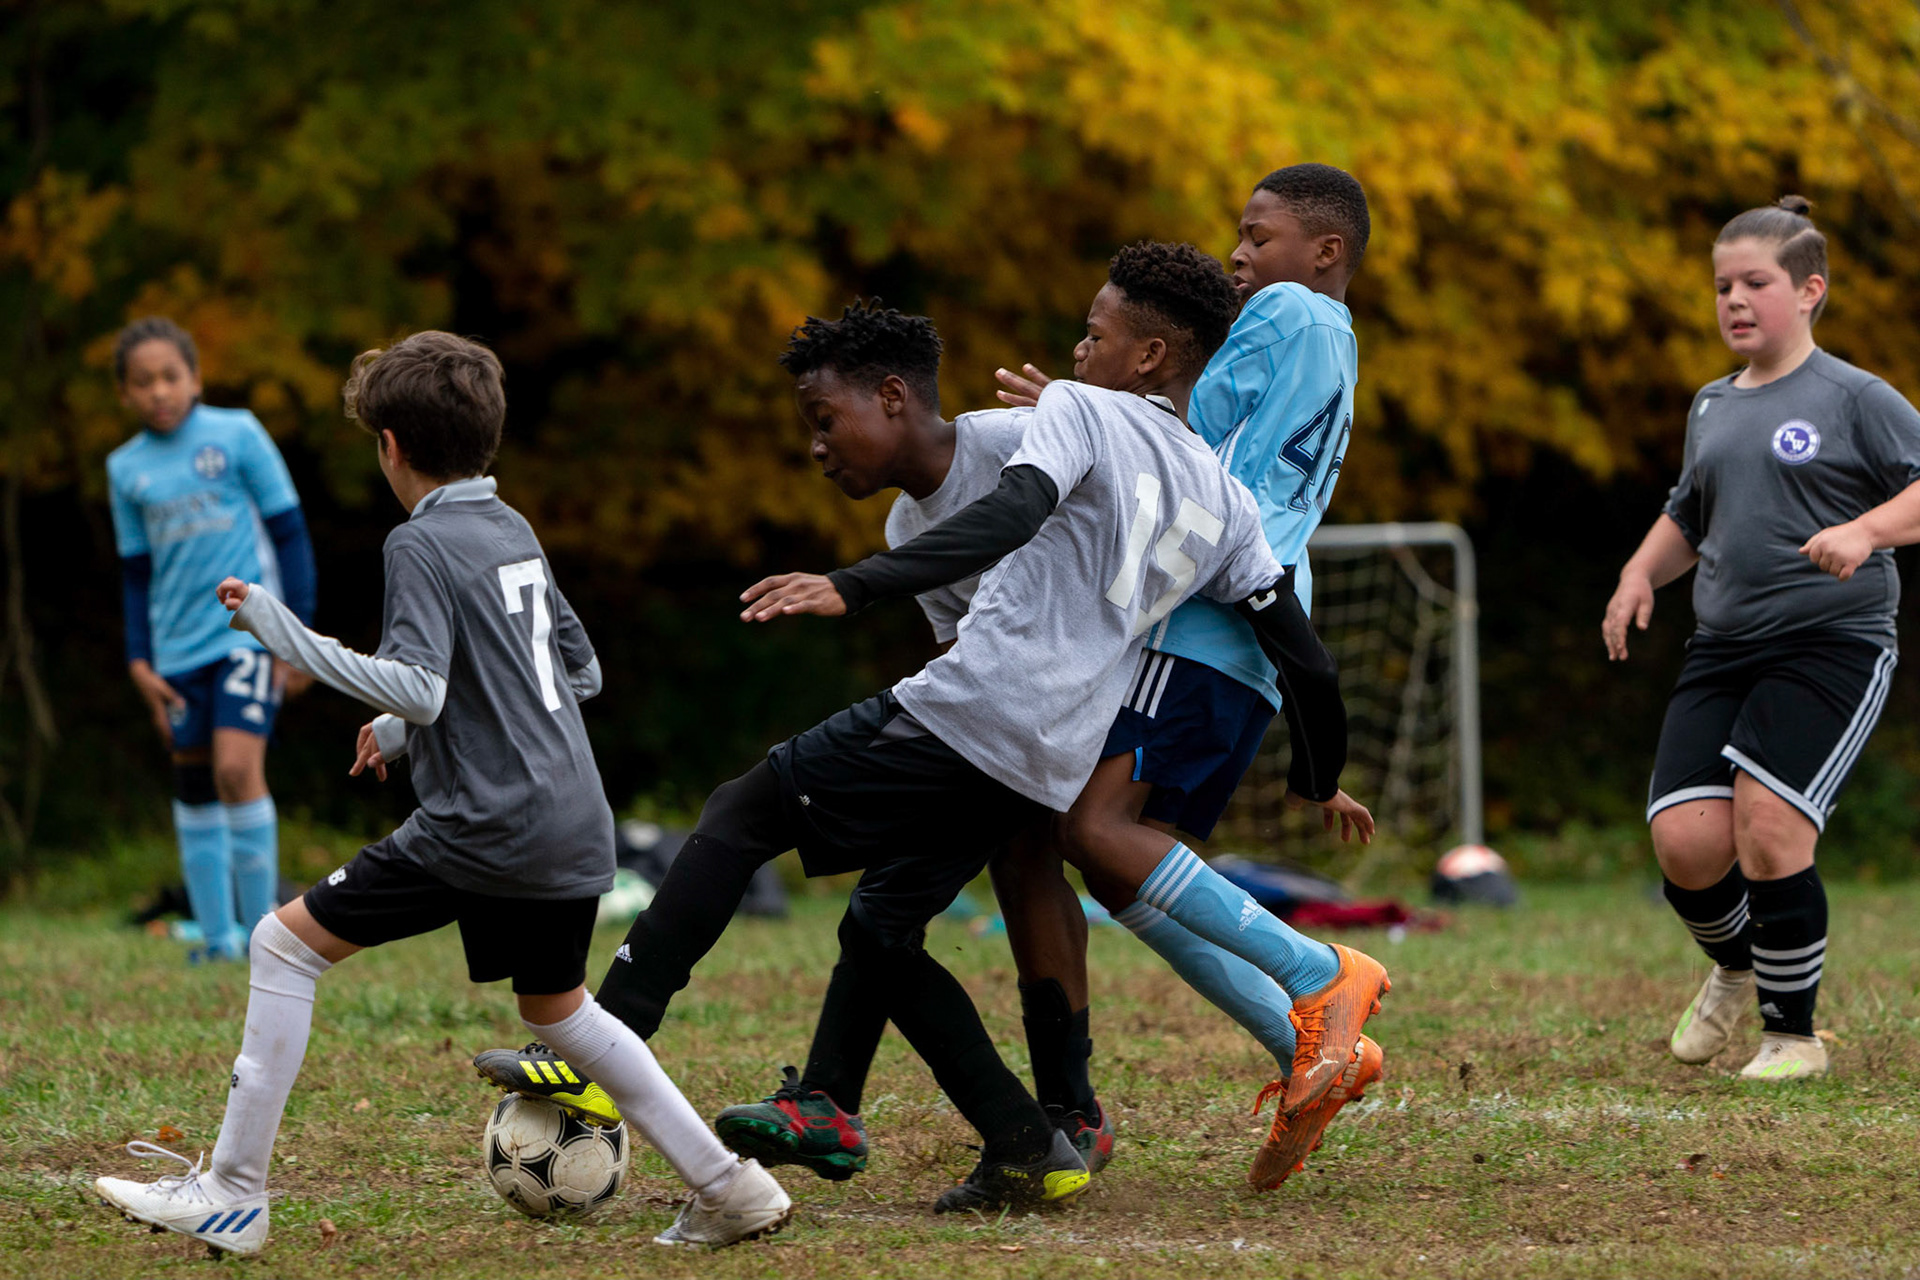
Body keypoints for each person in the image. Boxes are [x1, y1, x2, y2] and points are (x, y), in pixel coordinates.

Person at [479, 242, 1367, 1213]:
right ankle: (1015, 1136)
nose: (1077, 350)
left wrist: (850, 586)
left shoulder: (1071, 411)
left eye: (1094, 334)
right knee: (880, 927)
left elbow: (1015, 509)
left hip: (977, 710)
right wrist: (1319, 773)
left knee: (742, 809)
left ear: (1149, 356)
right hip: (1052, 753)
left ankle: (606, 1043)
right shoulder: (1227, 499)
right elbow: (1308, 659)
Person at [93, 332, 790, 1256]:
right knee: (562, 1014)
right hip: (573, 819)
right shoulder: (513, 529)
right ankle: (729, 1186)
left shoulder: (418, 543)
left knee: (280, 946)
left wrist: (280, 630)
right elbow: (574, 671)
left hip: (486, 825)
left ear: (389, 445)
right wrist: (405, 731)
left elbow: (422, 683)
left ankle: (231, 1192)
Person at [991, 163, 1384, 1186]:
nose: (1241, 258)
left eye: (1257, 235)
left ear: (1324, 250)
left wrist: (1092, 413)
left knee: (1094, 829)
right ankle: (1307, 1041)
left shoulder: (1289, 309)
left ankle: (1322, 977)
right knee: (1121, 863)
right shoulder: (1334, 338)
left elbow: (1192, 443)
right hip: (1250, 613)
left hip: (1211, 602)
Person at [1602, 196, 1920, 1082]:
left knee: (1770, 828)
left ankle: (1793, 1037)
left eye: (1755, 283)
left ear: (1810, 290)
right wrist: (1637, 576)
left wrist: (1868, 531)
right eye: (1721, 286)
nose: (1734, 300)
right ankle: (1736, 966)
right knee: (1687, 845)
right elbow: (1688, 516)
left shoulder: (1854, 396)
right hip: (1724, 644)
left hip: (1833, 642)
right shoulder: (1710, 404)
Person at [107, 317, 317, 960]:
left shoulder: (238, 434)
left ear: (195, 378)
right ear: (125, 395)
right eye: (143, 383)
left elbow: (289, 533)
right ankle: (218, 942)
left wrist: (297, 637)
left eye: (170, 377)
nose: (159, 392)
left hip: (244, 639)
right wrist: (139, 662)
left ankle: (265, 936)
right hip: (175, 653)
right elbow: (136, 576)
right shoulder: (124, 469)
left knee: (236, 769)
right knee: (195, 786)